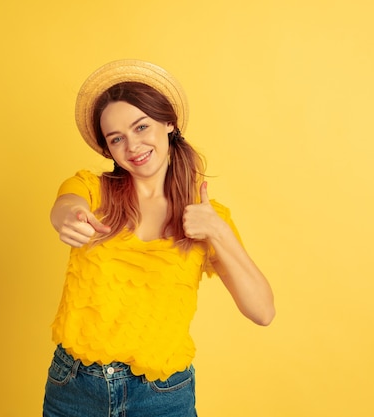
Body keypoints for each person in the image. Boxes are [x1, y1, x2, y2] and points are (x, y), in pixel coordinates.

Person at [43, 59, 275, 417]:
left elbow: (262, 311)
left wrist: (218, 232)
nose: (132, 145)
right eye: (116, 138)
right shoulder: (92, 190)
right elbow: (65, 204)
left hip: (162, 396)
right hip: (75, 388)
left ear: (168, 123)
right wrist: (68, 219)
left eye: (141, 127)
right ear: (108, 150)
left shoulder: (208, 215)